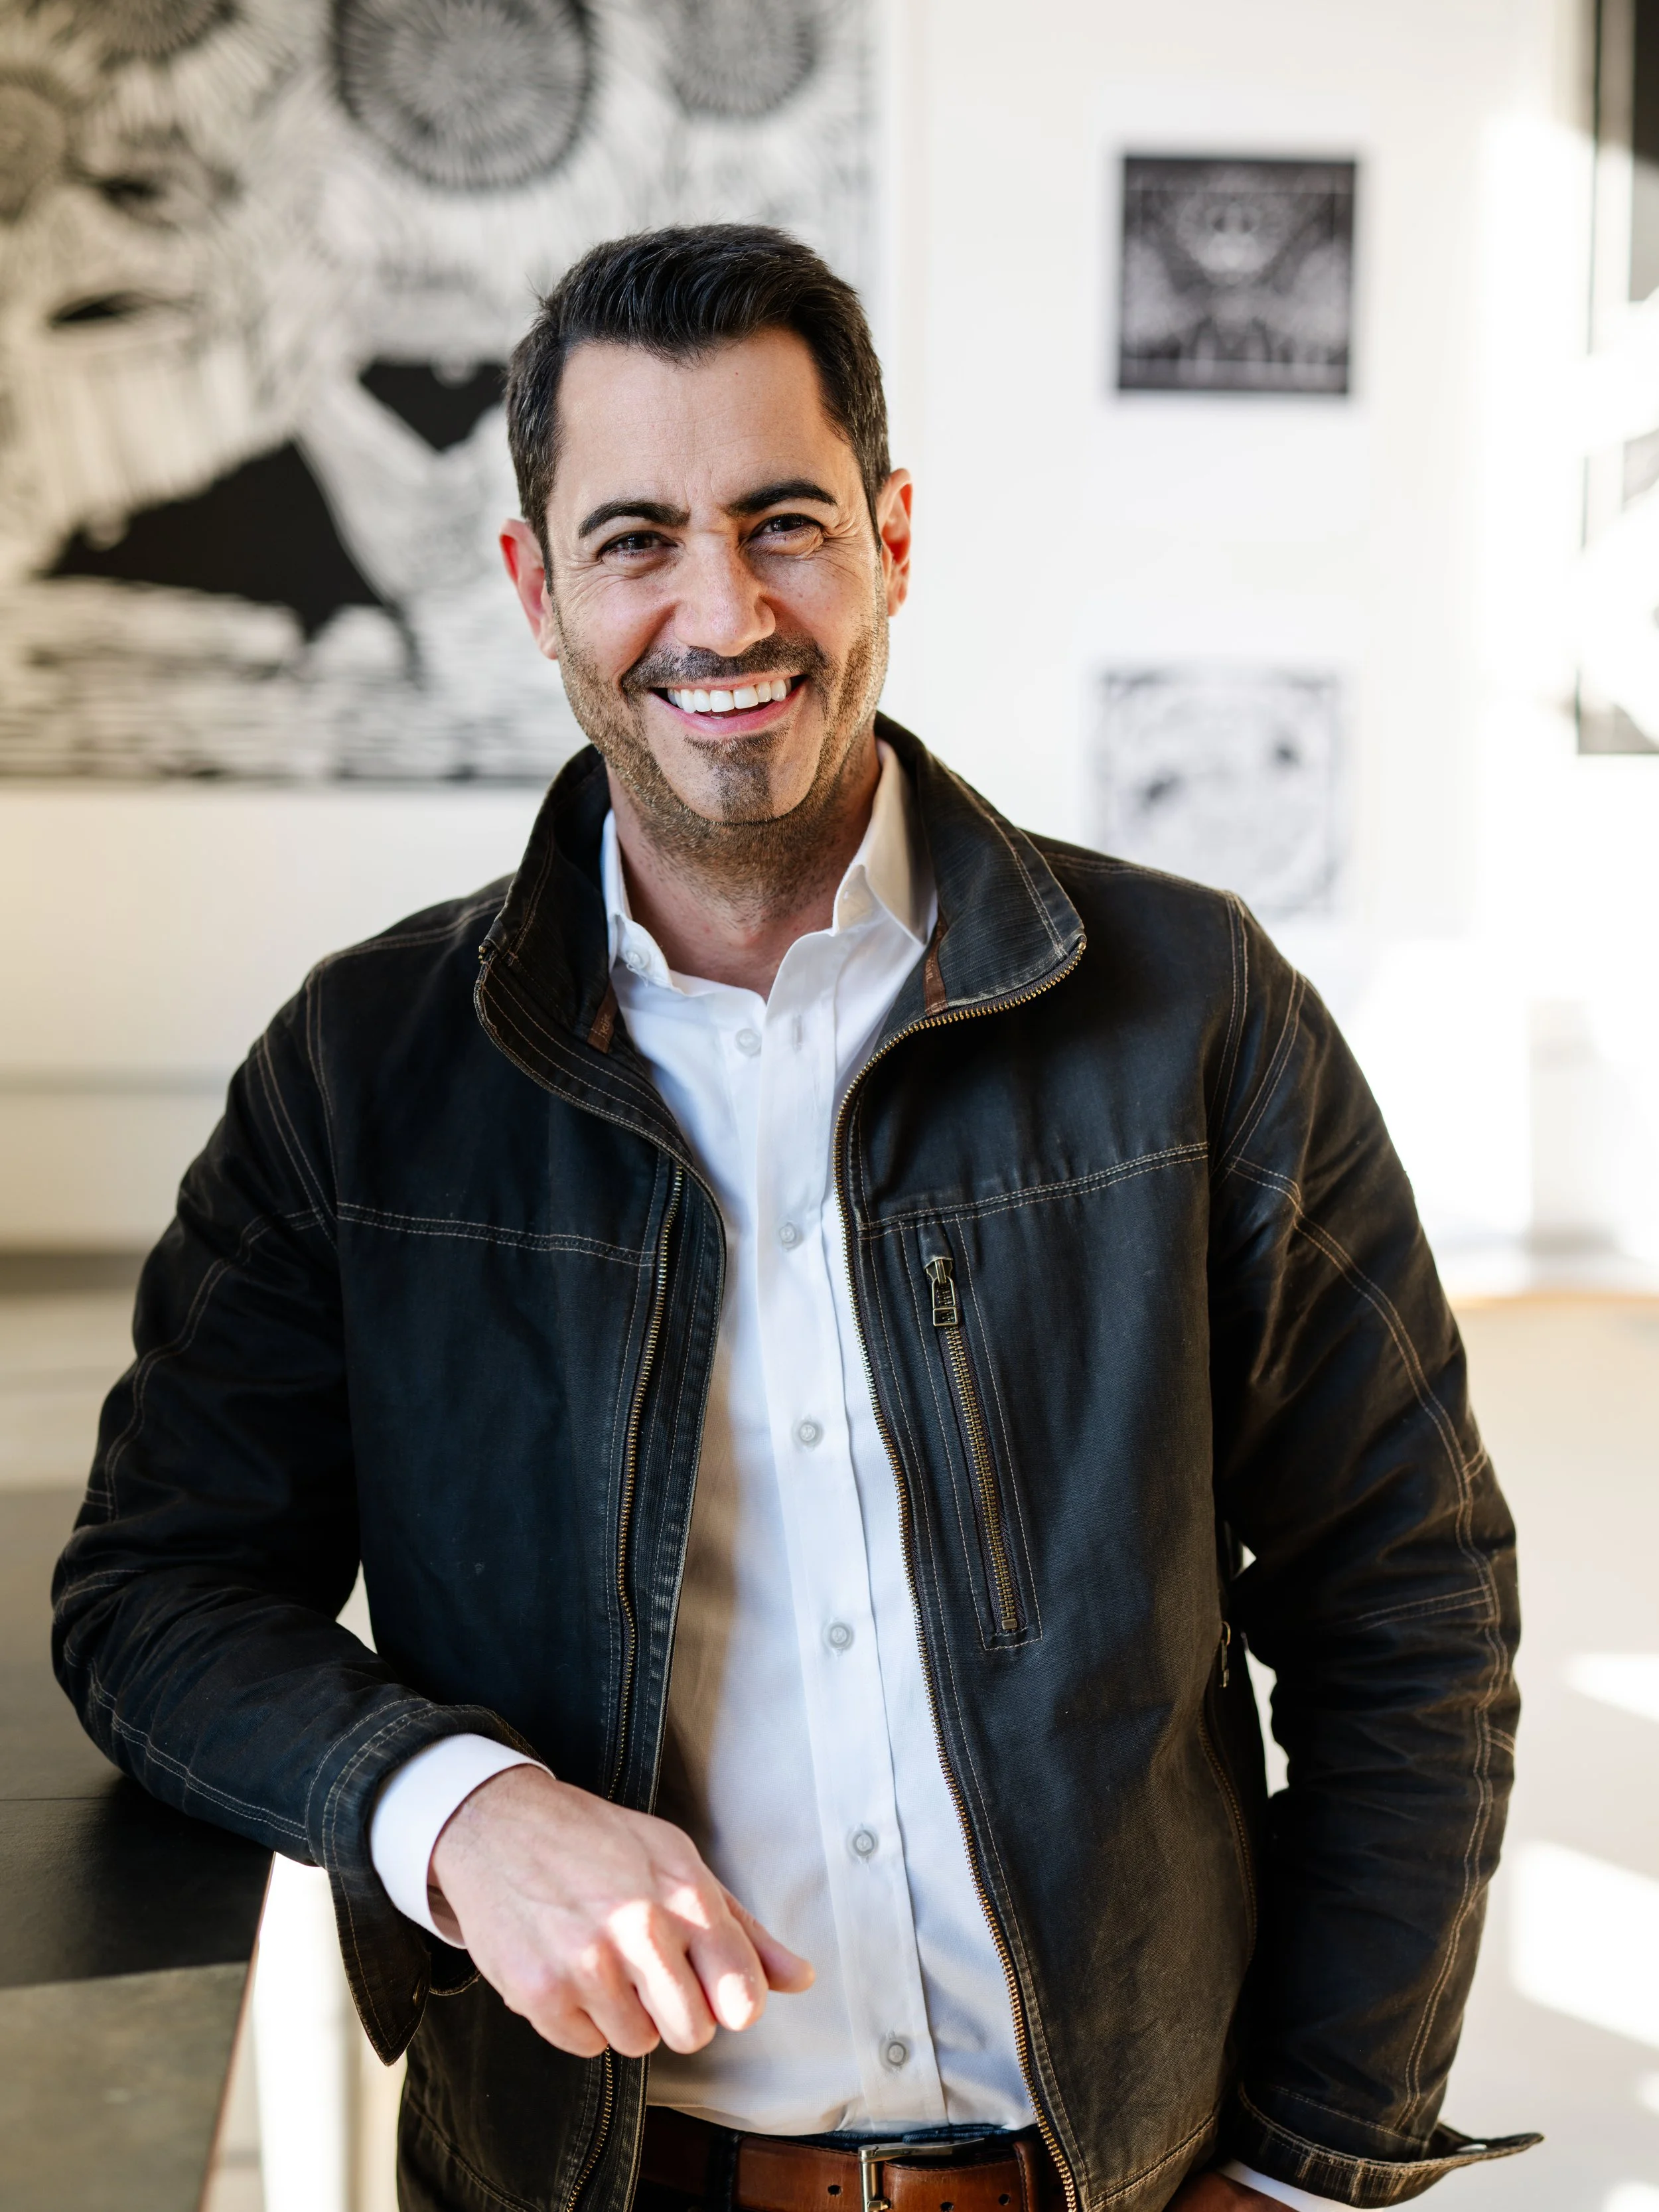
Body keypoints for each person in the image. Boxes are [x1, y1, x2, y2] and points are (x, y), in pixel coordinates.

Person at [53, 224, 1536, 2212]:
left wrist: (1301, 2166)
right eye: (637, 536)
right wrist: (453, 1810)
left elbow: (1408, 1604)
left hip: (1119, 2174)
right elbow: (154, 1598)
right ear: (533, 585)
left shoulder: (1195, 1008)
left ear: (891, 538)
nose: (721, 609)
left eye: (784, 523)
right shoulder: (362, 1072)